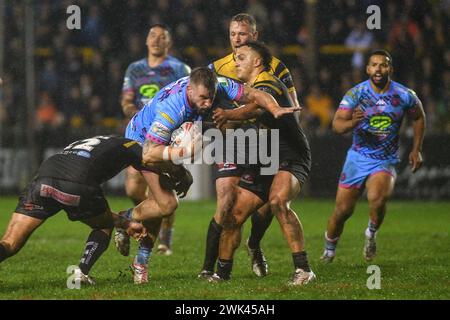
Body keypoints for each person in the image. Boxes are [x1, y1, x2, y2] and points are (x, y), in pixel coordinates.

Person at [119, 66, 299, 284]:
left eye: (210, 97)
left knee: (172, 195)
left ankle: (130, 230)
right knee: (166, 204)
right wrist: (184, 152)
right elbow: (148, 154)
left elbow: (254, 94)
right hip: (140, 143)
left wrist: (274, 107)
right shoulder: (172, 109)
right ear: (191, 90)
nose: (207, 103)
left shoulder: (219, 84)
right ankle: (129, 233)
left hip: (164, 143)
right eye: (203, 98)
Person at [199, 13, 302, 279]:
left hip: (264, 141)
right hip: (232, 140)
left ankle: (254, 245)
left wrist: (288, 132)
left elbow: (290, 104)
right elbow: (203, 100)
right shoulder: (217, 67)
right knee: (226, 203)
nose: (237, 39)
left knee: (269, 205)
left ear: (254, 37)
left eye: (242, 34)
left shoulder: (275, 68)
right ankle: (210, 270)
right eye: (233, 34)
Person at [320, 50, 426, 263]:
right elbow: (337, 125)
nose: (378, 69)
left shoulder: (404, 95)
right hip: (357, 158)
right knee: (342, 211)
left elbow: (419, 117)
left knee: (377, 199)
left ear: (390, 69)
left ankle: (371, 234)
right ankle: (329, 250)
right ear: (367, 69)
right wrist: (353, 123)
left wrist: (417, 149)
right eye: (374, 65)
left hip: (384, 159)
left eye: (383, 65)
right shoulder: (356, 94)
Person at [0, 135, 150, 285]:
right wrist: (126, 223)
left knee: (9, 243)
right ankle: (81, 273)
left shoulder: (100, 139)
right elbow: (153, 162)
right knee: (103, 224)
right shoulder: (135, 145)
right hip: (76, 182)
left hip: (44, 178)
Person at [120, 23, 191, 256]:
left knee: (164, 190)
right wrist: (137, 114)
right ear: (146, 41)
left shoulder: (179, 68)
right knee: (132, 187)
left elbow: (188, 99)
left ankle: (165, 239)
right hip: (140, 133)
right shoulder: (135, 69)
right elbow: (127, 101)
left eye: (162, 36)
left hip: (168, 136)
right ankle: (145, 215)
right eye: (152, 35)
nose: (157, 40)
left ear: (168, 43)